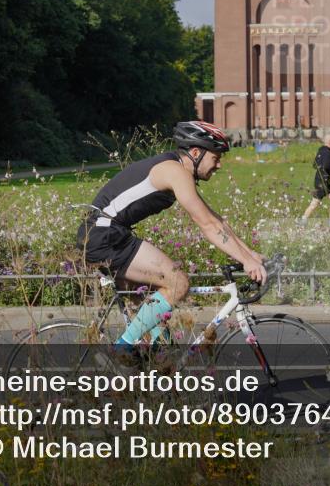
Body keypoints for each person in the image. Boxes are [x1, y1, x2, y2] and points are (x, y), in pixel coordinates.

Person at [76, 120, 266, 357]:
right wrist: (247, 262)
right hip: (105, 236)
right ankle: (121, 351)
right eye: (215, 158)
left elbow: (215, 220)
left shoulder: (177, 169)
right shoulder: (174, 171)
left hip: (108, 234)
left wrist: (249, 254)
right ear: (196, 153)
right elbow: (206, 225)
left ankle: (151, 375)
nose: (218, 166)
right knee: (178, 284)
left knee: (160, 337)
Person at [301, 133, 330, 221]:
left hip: (321, 181)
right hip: (323, 182)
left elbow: (315, 165)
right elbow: (326, 166)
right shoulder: (328, 152)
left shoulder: (321, 151)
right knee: (315, 203)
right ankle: (303, 221)